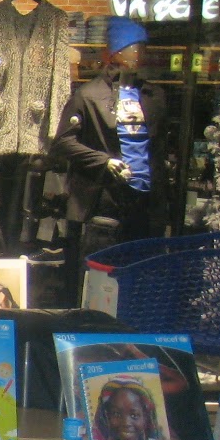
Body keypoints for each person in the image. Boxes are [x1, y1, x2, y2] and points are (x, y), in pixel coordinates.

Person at [51, 17, 167, 300]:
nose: (138, 56)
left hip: (143, 201)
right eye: (131, 49)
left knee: (139, 273)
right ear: (114, 53)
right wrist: (104, 161)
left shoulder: (155, 96)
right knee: (96, 270)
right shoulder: (89, 95)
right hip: (101, 199)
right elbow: (64, 141)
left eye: (141, 49)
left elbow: (160, 146)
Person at [91, 376, 174, 440]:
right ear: (106, 417)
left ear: (146, 417)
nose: (126, 423)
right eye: (116, 414)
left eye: (134, 415)